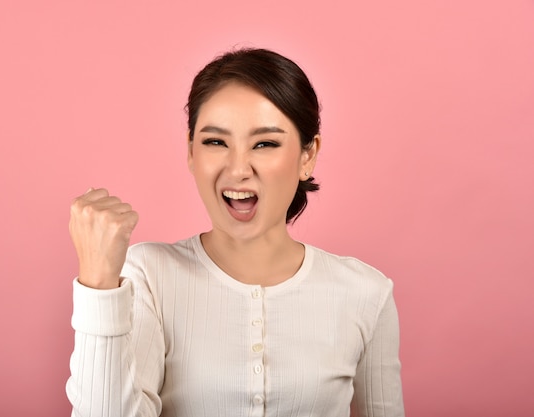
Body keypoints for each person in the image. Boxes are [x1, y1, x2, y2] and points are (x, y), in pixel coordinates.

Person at [66, 48, 404, 417]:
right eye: (215, 142)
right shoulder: (149, 275)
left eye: (265, 143)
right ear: (191, 152)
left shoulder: (367, 293)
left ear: (308, 156)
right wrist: (98, 285)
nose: (238, 168)